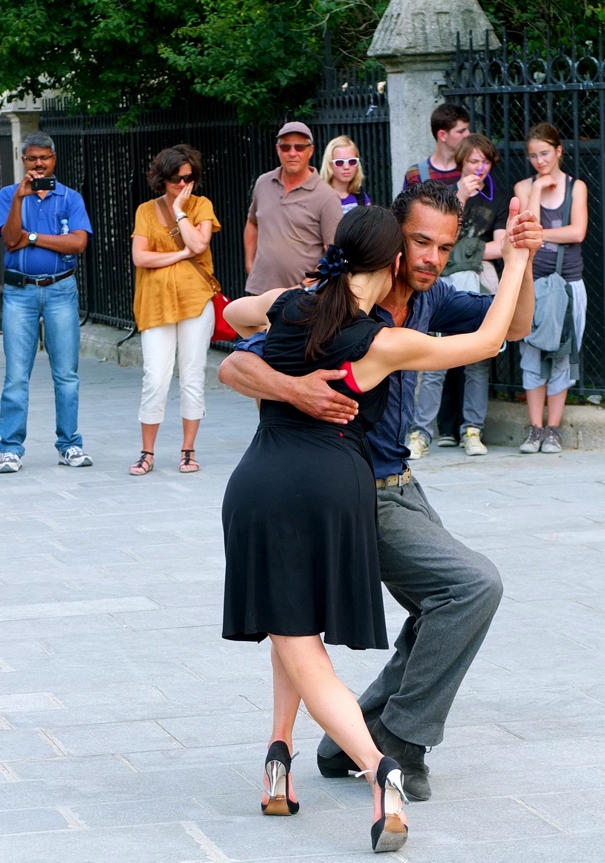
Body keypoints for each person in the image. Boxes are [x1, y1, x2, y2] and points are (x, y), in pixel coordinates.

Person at [221, 201, 530, 852]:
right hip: (340, 488)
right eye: (416, 246)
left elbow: (233, 316)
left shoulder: (296, 303)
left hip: (272, 482)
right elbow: (485, 344)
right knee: (305, 631)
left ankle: (303, 751)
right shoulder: (380, 342)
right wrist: (520, 259)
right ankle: (380, 759)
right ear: (390, 258)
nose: (429, 259)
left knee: (293, 628)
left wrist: (287, 367)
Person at [408, 135, 510, 458]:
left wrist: (463, 252)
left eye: (485, 162)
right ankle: (420, 433)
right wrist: (461, 197)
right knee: (434, 361)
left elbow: (502, 246)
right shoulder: (449, 195)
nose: (480, 168)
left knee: (478, 361)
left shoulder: (497, 197)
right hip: (447, 283)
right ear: (461, 163)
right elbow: (442, 236)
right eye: (473, 161)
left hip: (479, 283)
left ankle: (472, 430)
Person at [0, 131, 93, 473]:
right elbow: (10, 241)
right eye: (32, 158)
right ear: (23, 161)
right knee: (15, 376)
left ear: (54, 159)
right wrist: (19, 203)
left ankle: (69, 444)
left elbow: (78, 244)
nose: (39, 164)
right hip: (18, 294)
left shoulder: (70, 198)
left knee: (66, 374)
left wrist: (34, 238)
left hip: (60, 291)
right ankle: (10, 448)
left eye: (44, 158)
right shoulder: (8, 195)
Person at [129, 144, 221, 475]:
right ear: (162, 179)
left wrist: (181, 211)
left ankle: (188, 450)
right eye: (175, 180)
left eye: (188, 178)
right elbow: (141, 257)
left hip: (195, 300)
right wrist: (180, 256)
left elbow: (199, 244)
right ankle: (147, 451)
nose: (183, 185)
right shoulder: (146, 210)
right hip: (155, 303)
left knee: (193, 375)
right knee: (155, 376)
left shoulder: (201, 205)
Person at [514, 123, 588, 454]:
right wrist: (539, 189)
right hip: (533, 282)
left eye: (545, 153)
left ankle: (553, 430)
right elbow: (525, 223)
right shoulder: (523, 186)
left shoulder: (577, 187)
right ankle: (535, 429)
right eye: (533, 156)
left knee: (562, 353)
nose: (539, 160)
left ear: (558, 151)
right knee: (531, 353)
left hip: (569, 283)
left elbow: (577, 232)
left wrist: (539, 235)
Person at [244, 121, 342, 295]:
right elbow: (252, 223)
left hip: (302, 297)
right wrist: (250, 264)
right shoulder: (263, 183)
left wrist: (305, 285)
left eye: (299, 147)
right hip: (260, 292)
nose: (292, 153)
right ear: (277, 149)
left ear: (310, 150)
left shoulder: (326, 196)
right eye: (286, 147)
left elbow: (333, 254)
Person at [402, 103, 470, 190]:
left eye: (468, 129)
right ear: (442, 135)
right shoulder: (415, 174)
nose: (468, 134)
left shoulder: (472, 167)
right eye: (461, 131)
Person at [319, 134, 371, 213]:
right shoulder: (319, 199)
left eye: (352, 161)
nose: (346, 167)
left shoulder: (362, 198)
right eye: (339, 162)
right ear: (329, 165)